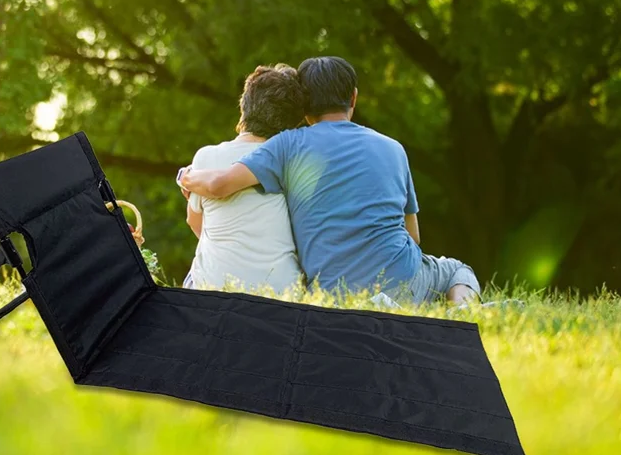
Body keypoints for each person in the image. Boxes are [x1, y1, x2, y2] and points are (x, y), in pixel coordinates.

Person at [179, 56, 480, 305]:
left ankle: (374, 304)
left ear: (304, 108)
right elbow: (413, 237)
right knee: (455, 269)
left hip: (330, 295)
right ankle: (462, 311)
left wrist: (187, 176)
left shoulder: (287, 145)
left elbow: (221, 184)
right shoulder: (393, 148)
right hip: (405, 281)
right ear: (353, 98)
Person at [182, 63, 305, 295]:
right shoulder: (294, 160)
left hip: (215, 289)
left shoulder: (206, 157)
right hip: (283, 292)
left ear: (244, 106)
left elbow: (194, 221)